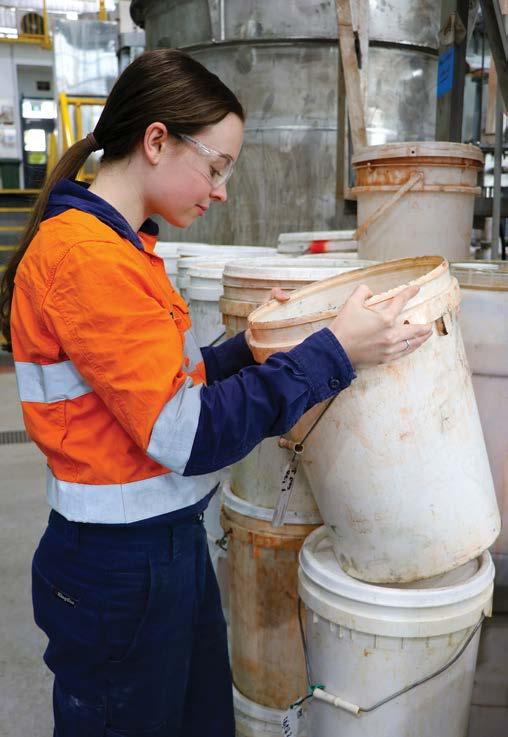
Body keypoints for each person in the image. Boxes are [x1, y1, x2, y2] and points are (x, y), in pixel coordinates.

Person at [0, 49, 432, 737]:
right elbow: (187, 434)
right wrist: (332, 354)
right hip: (119, 569)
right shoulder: (87, 258)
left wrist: (248, 349)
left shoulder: (122, 247)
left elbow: (150, 388)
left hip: (159, 548)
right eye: (217, 167)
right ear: (156, 141)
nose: (221, 191)